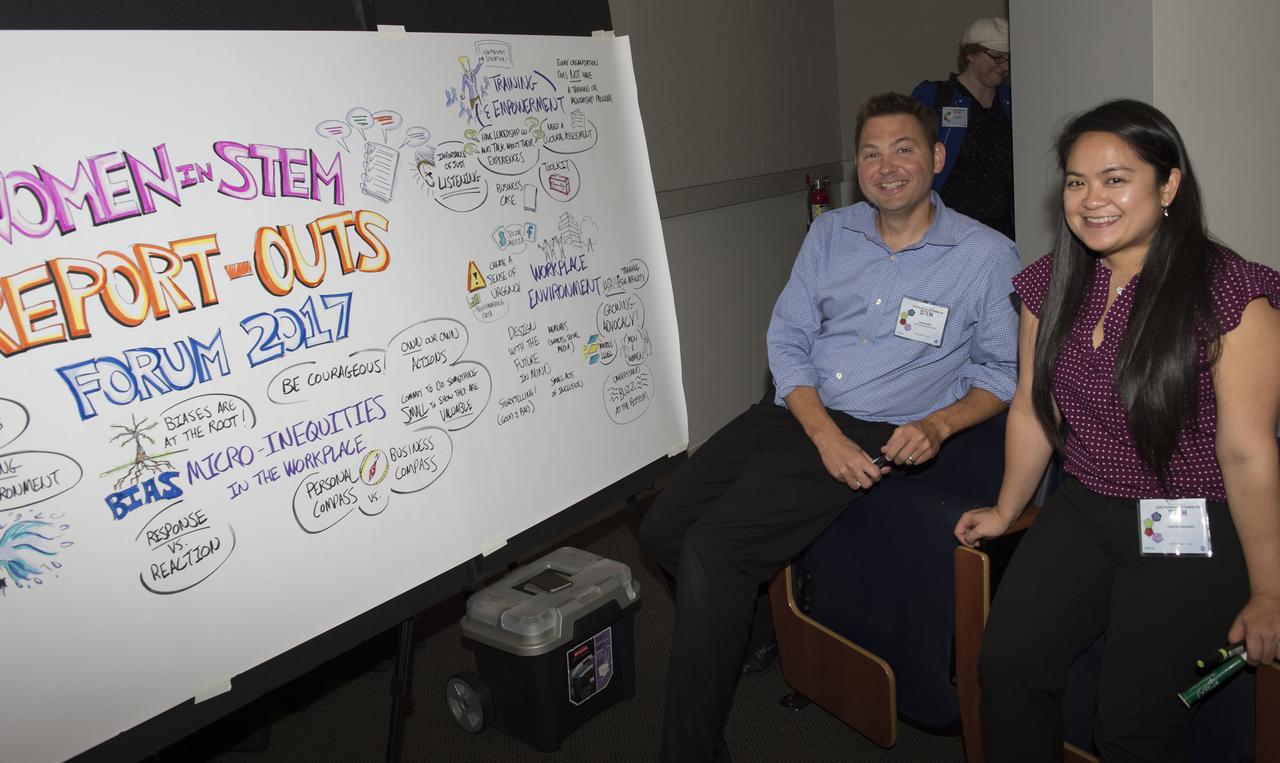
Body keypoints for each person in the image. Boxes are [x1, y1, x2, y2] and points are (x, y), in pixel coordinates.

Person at [640, 92, 1020, 762]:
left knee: (715, 548)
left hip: (876, 428)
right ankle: (756, 629)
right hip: (800, 411)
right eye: (871, 153)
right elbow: (786, 340)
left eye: (904, 148)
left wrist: (937, 423)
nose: (886, 165)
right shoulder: (830, 234)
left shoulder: (987, 256)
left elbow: (1002, 372)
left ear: (935, 156)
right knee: (661, 528)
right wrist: (819, 431)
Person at [954, 99, 1280, 761]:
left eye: (1115, 178)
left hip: (1190, 518)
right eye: (1076, 181)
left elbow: (1247, 451)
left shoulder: (1229, 293)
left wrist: (1272, 588)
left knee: (1131, 723)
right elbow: (1031, 405)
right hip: (1087, 501)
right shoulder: (1051, 283)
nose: (1091, 198)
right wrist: (1007, 506)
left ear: (1168, 186)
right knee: (1008, 662)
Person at [911, 17, 1014, 239]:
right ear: (970, 53)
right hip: (949, 228)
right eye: (997, 57)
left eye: (1009, 59)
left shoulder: (1012, 102)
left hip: (1005, 229)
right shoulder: (935, 97)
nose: (1004, 67)